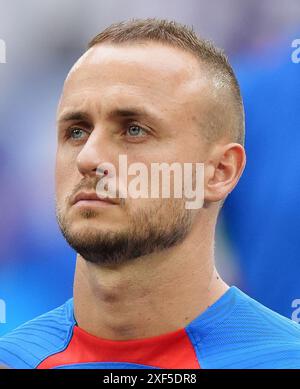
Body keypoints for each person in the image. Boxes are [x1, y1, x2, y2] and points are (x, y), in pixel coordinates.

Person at [0, 18, 300, 369]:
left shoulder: (281, 360)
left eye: (134, 129)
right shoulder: (14, 358)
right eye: (77, 132)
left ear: (220, 171)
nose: (88, 158)